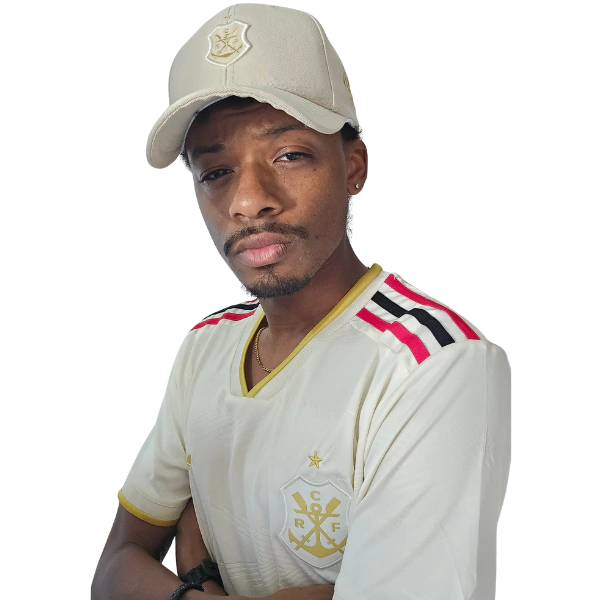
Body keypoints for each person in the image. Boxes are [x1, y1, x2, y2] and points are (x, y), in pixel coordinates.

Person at [92, 4, 511, 600]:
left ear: (353, 166)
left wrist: (191, 568)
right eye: (215, 172)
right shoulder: (206, 348)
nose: (249, 201)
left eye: (289, 155)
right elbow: (115, 569)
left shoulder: (432, 363)